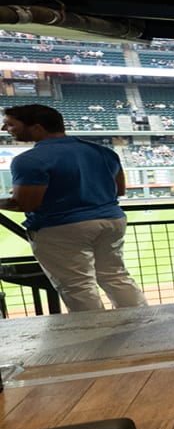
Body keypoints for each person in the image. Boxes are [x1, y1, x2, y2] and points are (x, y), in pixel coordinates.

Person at [0, 103, 145, 312]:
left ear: (37, 128)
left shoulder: (29, 160)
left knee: (77, 286)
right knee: (115, 276)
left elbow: (25, 203)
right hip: (112, 221)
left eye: (10, 125)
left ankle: (97, 338)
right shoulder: (103, 151)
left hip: (60, 226)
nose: (6, 130)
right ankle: (142, 326)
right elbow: (119, 190)